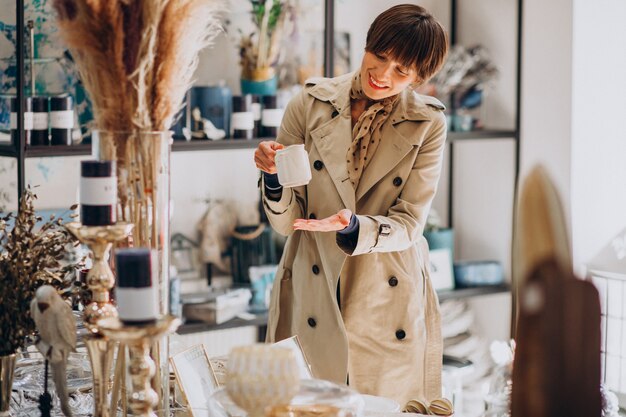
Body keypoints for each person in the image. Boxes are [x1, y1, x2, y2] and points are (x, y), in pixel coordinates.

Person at [254, 4, 449, 405]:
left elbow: (411, 221)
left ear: (419, 78)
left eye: (401, 71)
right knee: (307, 407)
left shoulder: (429, 124)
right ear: (368, 45)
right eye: (379, 57)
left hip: (385, 291)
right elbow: (287, 221)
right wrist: (273, 177)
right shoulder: (307, 105)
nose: (383, 75)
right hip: (313, 276)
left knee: (380, 406)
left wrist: (354, 228)